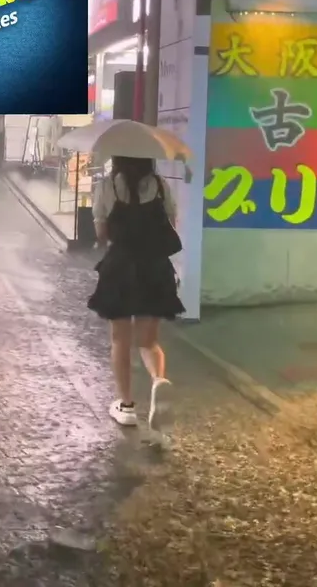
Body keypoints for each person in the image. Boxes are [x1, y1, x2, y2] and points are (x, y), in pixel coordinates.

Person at [87, 156, 184, 441]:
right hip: (155, 268)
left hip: (120, 267)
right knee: (148, 341)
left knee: (120, 339)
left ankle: (127, 406)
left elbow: (101, 233)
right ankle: (158, 382)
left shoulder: (107, 186)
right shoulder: (161, 186)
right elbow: (171, 224)